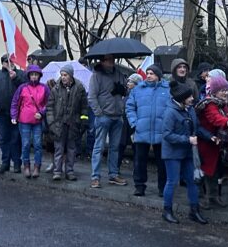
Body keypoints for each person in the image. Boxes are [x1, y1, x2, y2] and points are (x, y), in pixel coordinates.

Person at [161, 81, 208, 225]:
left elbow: (197, 127)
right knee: (172, 182)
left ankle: (194, 211)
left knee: (193, 181)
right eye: (189, 97)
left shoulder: (190, 109)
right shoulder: (170, 112)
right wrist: (187, 139)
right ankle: (167, 211)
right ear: (182, 98)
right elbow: (167, 135)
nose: (193, 98)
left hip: (188, 152)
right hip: (173, 153)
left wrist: (210, 136)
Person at [196, 75, 228, 208]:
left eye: (226, 90)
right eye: (222, 90)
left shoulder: (222, 103)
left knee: (214, 171)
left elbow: (223, 118)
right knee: (203, 171)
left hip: (217, 143)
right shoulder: (209, 103)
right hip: (206, 142)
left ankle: (213, 196)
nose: (225, 92)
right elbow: (215, 118)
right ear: (215, 91)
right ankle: (200, 198)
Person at [126, 64, 170, 197]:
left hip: (161, 131)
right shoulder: (138, 89)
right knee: (140, 161)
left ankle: (163, 188)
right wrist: (135, 123)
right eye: (148, 73)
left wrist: (167, 125)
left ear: (158, 75)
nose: (149, 75)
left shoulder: (167, 89)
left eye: (152, 73)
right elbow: (130, 107)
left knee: (162, 163)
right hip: (141, 130)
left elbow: (171, 108)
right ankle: (139, 186)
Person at [88, 55, 130, 188]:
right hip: (104, 116)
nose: (111, 62)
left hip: (117, 116)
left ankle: (113, 174)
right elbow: (92, 96)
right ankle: (95, 176)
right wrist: (99, 113)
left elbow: (126, 90)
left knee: (114, 147)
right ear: (102, 61)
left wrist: (123, 89)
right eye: (108, 60)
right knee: (98, 147)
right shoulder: (96, 76)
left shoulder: (118, 73)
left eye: (112, 59)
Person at [47, 63, 88, 181]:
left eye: (65, 75)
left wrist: (83, 121)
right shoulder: (56, 89)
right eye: (62, 75)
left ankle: (69, 171)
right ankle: (57, 171)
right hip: (59, 124)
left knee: (71, 149)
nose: (63, 77)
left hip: (73, 123)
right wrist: (52, 123)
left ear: (71, 75)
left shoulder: (79, 87)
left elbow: (84, 107)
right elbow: (50, 108)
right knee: (58, 149)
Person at [10, 65, 49, 178]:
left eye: (36, 74)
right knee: (26, 144)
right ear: (28, 75)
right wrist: (14, 115)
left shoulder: (44, 88)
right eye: (32, 74)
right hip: (24, 120)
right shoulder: (22, 88)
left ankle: (37, 166)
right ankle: (26, 166)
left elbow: (49, 103)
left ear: (39, 76)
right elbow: (15, 102)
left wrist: (42, 112)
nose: (34, 77)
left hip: (37, 121)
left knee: (37, 144)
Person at [0, 55, 25, 173]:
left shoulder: (21, 74)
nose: (10, 63)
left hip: (17, 112)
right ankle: (5, 162)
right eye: (7, 62)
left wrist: (15, 78)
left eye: (12, 61)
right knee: (3, 138)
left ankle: (16, 162)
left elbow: (25, 88)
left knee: (16, 138)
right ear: (3, 63)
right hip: (2, 111)